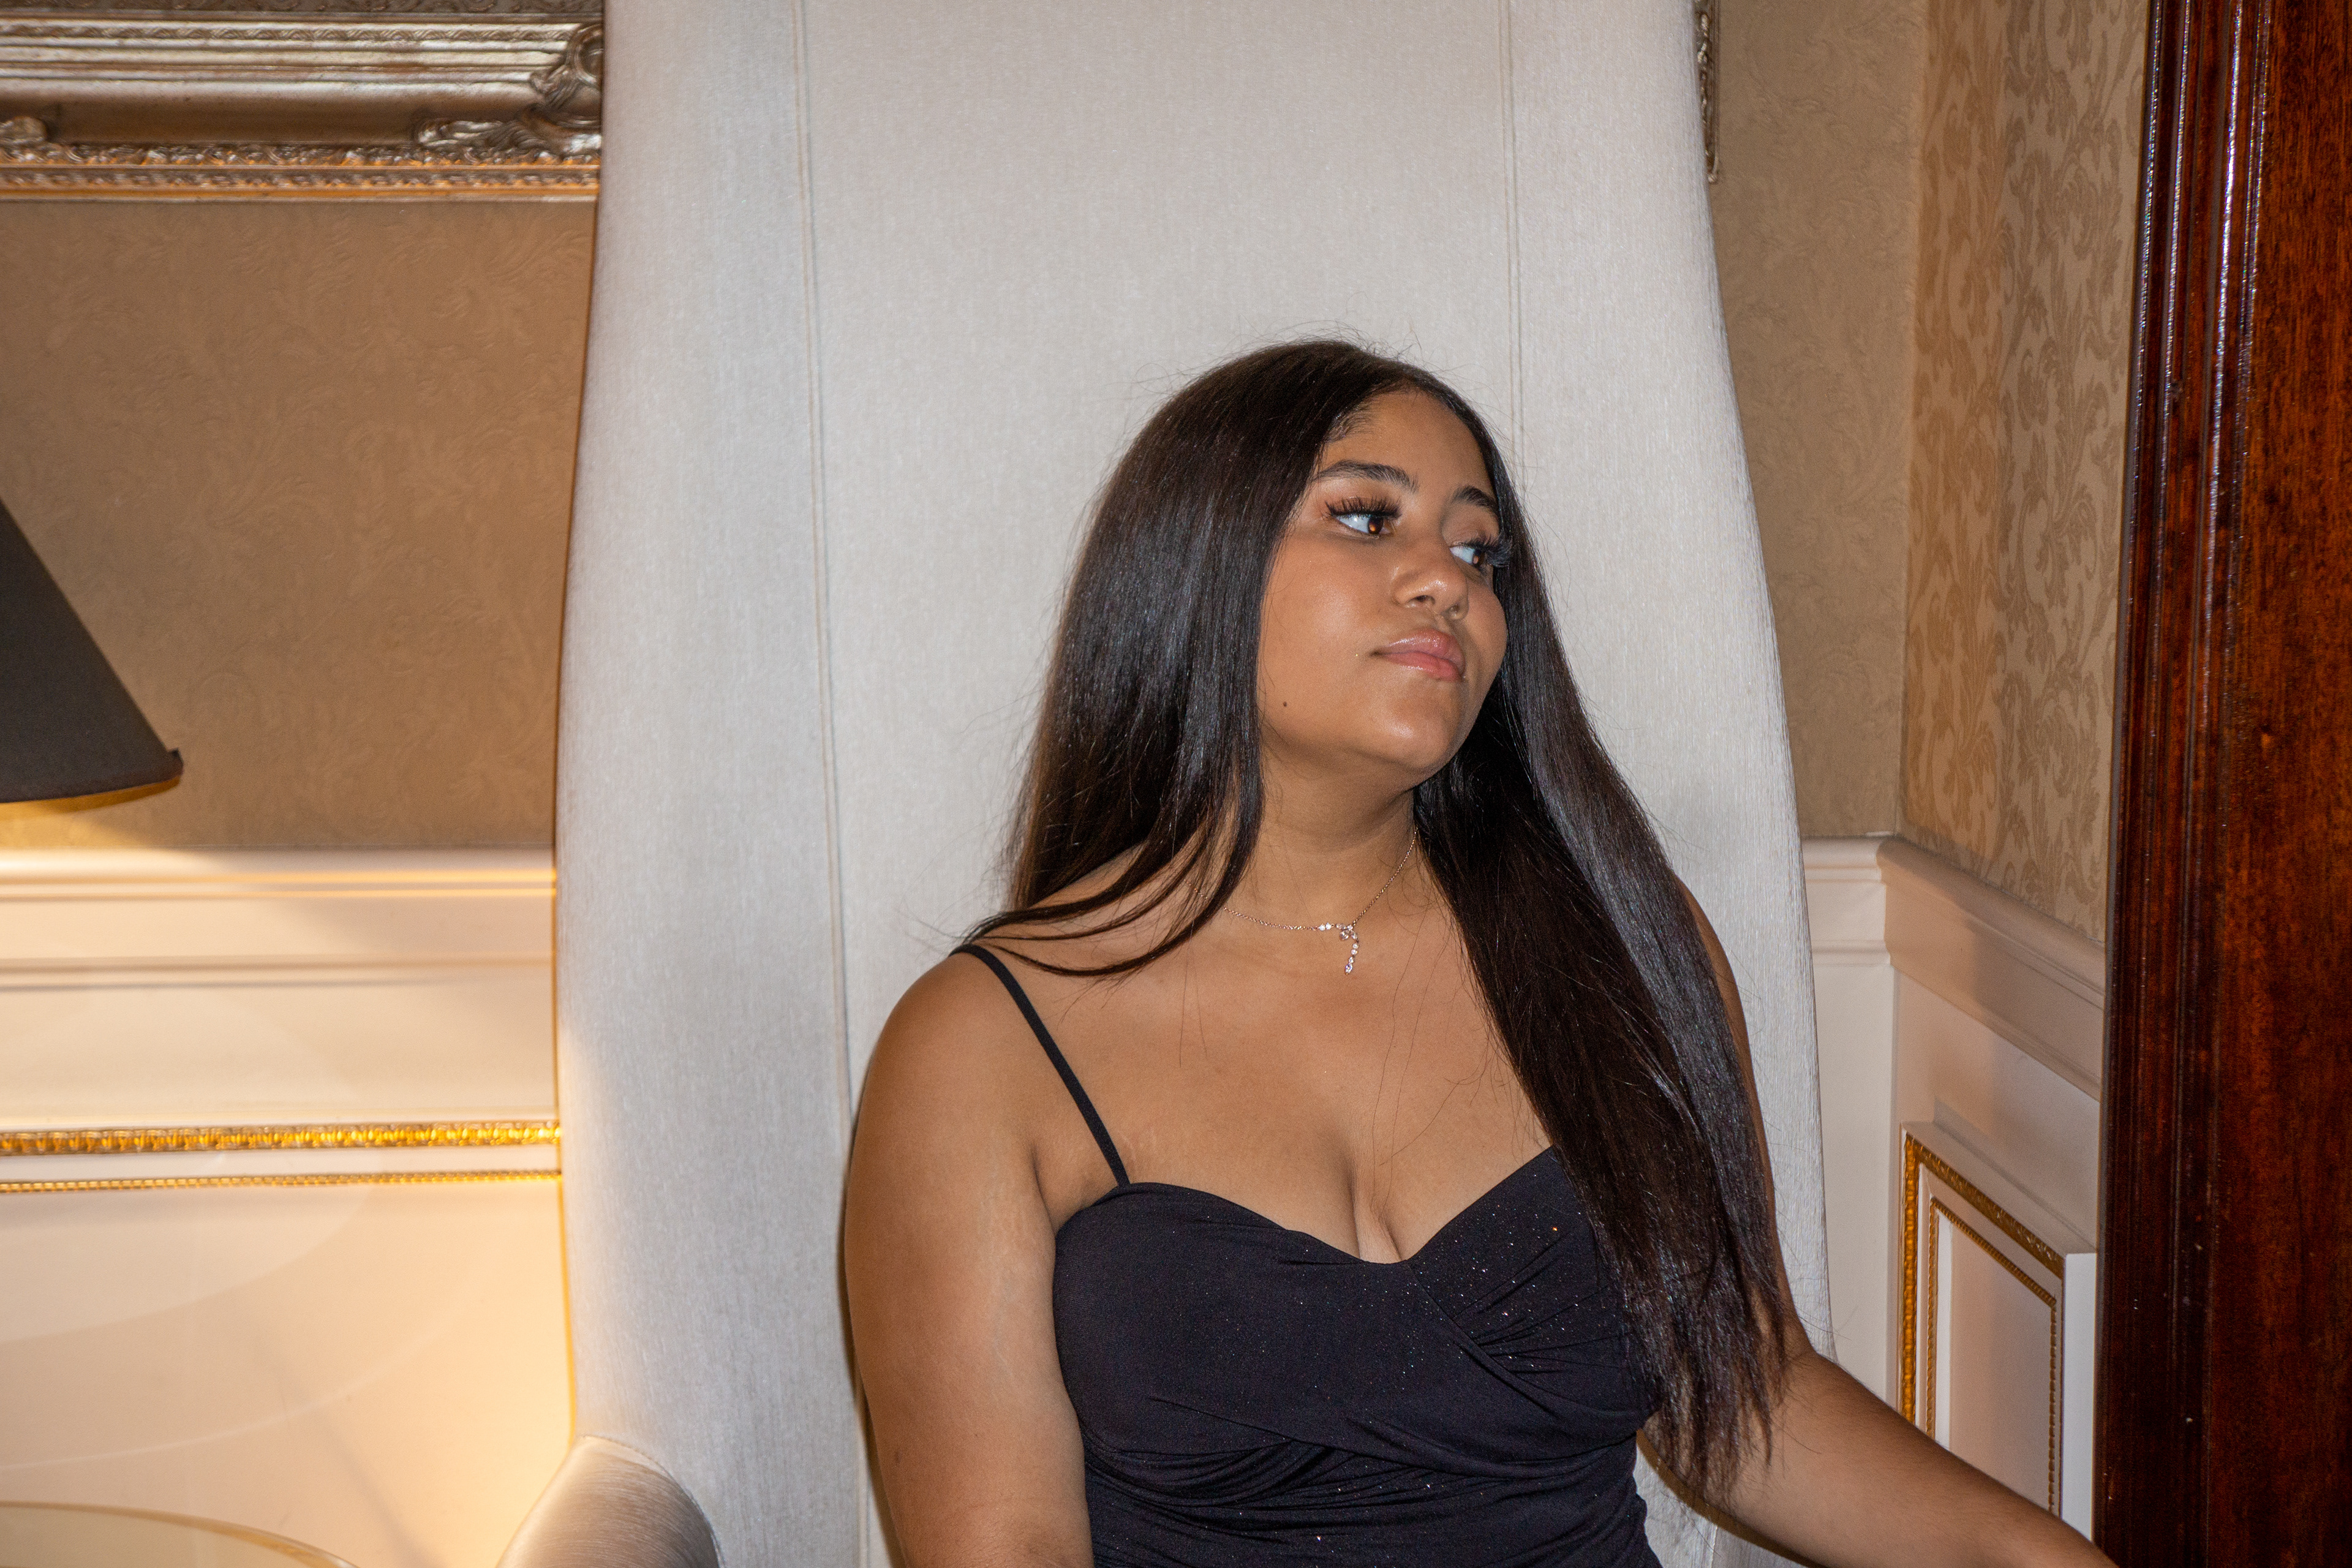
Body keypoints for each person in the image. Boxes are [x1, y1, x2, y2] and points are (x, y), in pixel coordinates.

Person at [843, 341, 2111, 1568]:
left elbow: (1745, 1395)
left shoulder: (1625, 943)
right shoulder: (984, 1046)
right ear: (1196, 562)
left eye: (1477, 549)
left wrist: (2031, 1552)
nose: (1445, 581)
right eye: (1365, 517)